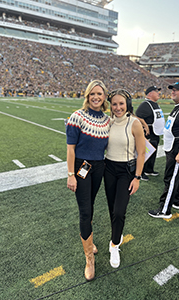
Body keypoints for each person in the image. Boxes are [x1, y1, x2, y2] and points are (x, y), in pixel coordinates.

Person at [66, 80, 110, 281]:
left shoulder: (107, 120)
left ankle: (90, 242)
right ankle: (89, 259)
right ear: (87, 96)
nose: (96, 97)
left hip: (99, 167)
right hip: (82, 168)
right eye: (92, 94)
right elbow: (71, 149)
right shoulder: (77, 117)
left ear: (104, 97)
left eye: (99, 94)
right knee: (85, 211)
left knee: (91, 206)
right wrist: (70, 174)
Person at [104, 89, 145, 268]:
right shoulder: (108, 122)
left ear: (127, 104)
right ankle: (117, 233)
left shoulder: (134, 123)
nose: (118, 107)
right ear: (110, 106)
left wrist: (137, 177)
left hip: (126, 171)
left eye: (121, 104)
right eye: (114, 104)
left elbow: (142, 152)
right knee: (112, 208)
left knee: (120, 211)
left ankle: (114, 245)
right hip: (109, 168)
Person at [148, 82, 179, 219]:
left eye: (176, 90)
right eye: (172, 90)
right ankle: (176, 201)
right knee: (177, 176)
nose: (172, 92)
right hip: (173, 146)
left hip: (178, 147)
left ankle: (165, 210)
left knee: (171, 178)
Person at [136, 85, 165, 181]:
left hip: (155, 132)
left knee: (153, 152)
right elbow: (137, 116)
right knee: (146, 152)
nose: (158, 93)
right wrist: (145, 125)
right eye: (156, 91)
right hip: (149, 133)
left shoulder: (154, 103)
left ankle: (149, 169)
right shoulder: (145, 104)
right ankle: (141, 171)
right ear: (150, 94)